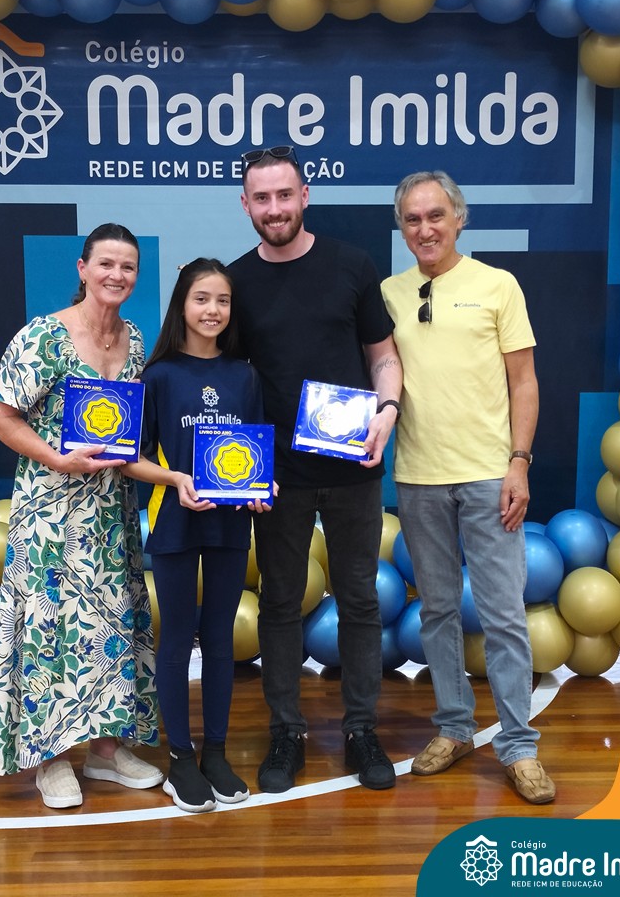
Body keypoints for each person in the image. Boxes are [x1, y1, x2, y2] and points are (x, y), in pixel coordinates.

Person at [229, 145, 403, 793]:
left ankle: (361, 730)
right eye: (262, 198)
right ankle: (286, 733)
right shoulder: (236, 282)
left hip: (354, 464)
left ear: (305, 196)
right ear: (246, 205)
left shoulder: (352, 265)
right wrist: (243, 468)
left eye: (285, 194)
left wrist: (388, 408)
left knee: (359, 599)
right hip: (277, 475)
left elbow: (383, 356)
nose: (274, 208)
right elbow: (232, 383)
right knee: (279, 602)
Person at [381, 171, 556, 805]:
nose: (424, 229)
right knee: (437, 611)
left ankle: (519, 746)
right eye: (412, 219)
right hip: (417, 477)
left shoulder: (496, 285)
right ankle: (454, 728)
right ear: (401, 228)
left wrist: (519, 462)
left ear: (459, 218)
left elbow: (524, 381)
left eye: (436, 216)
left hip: (489, 476)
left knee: (503, 615)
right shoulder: (389, 293)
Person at [0, 224, 163, 810]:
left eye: (127, 267)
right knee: (49, 630)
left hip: (109, 512)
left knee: (110, 629)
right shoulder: (44, 336)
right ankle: (50, 758)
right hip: (50, 513)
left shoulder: (134, 340)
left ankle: (104, 752)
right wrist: (58, 458)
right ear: (82, 269)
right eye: (105, 263)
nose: (116, 275)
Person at [124, 258, 267, 813]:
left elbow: (254, 451)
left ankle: (216, 753)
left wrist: (261, 486)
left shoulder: (244, 375)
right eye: (202, 299)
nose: (213, 310)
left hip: (230, 521)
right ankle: (180, 759)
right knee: (178, 636)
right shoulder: (158, 375)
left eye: (222, 300)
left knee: (220, 638)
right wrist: (175, 480)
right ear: (182, 305)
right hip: (174, 517)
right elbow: (129, 458)